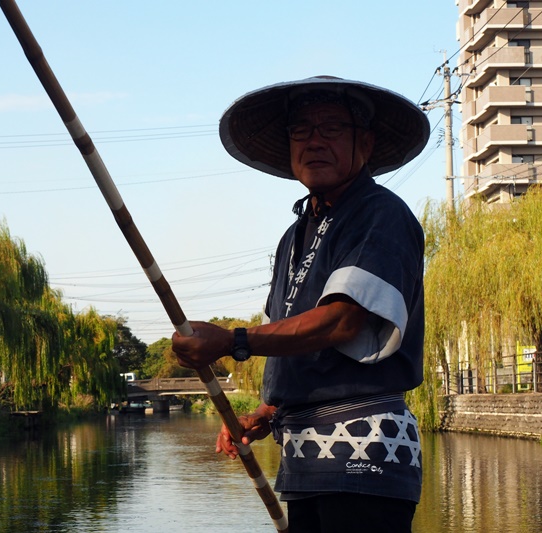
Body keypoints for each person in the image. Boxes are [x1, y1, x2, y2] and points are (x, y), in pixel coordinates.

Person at [172, 76, 429, 532]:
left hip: (364, 455)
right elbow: (294, 336)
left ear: (364, 143)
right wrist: (265, 414)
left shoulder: (380, 213)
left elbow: (342, 322)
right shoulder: (294, 235)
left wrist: (232, 341)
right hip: (307, 461)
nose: (314, 142)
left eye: (331, 128)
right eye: (301, 130)